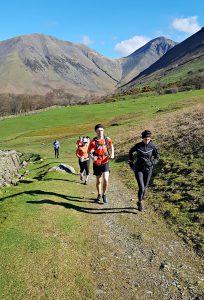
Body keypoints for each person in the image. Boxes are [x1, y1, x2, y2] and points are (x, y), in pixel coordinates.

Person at [128, 130, 159, 211]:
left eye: (148, 139)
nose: (147, 141)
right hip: (138, 169)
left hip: (148, 169)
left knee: (145, 188)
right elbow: (130, 152)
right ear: (142, 138)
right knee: (141, 188)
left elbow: (157, 158)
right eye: (145, 139)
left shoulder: (153, 146)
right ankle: (140, 202)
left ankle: (140, 201)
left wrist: (152, 162)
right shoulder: (138, 146)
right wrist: (131, 163)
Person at [88, 124, 114, 203]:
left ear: (103, 131)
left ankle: (104, 194)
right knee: (98, 181)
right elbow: (89, 152)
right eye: (98, 130)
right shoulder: (93, 141)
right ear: (96, 131)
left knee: (106, 179)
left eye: (102, 130)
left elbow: (111, 145)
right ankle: (99, 194)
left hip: (105, 161)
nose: (100, 132)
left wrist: (112, 154)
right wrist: (92, 157)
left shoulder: (107, 139)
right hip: (97, 163)